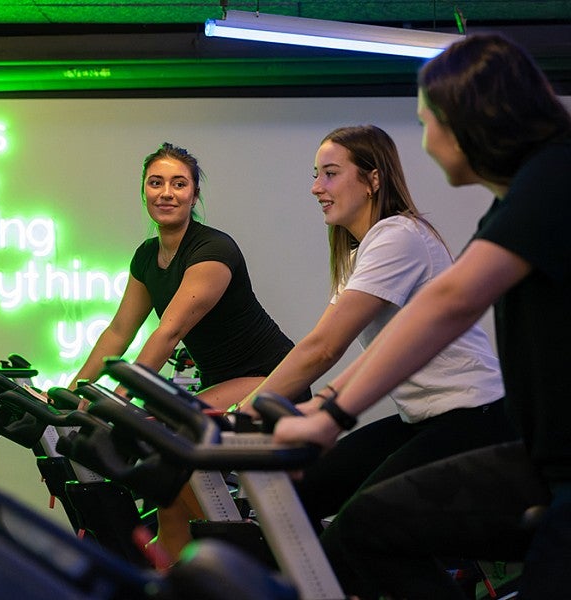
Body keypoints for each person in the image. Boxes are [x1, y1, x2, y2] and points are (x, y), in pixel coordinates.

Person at [274, 33, 571, 599]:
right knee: (365, 528)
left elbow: (448, 304)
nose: (428, 143)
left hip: (513, 441)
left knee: (364, 529)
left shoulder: (555, 175)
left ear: (470, 118)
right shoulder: (515, 202)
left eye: (428, 122)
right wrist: (326, 406)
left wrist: (330, 415)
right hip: (541, 456)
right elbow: (420, 328)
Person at [236, 125, 518, 551]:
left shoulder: (398, 236)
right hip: (422, 419)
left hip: (473, 416)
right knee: (299, 492)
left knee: (365, 525)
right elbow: (329, 345)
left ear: (373, 180)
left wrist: (242, 412)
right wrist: (313, 405)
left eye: (330, 173)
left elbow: (323, 348)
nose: (316, 187)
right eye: (315, 174)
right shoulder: (360, 251)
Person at [70, 142, 307, 564]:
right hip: (226, 381)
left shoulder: (212, 251)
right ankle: (175, 561)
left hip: (273, 376)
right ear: (143, 191)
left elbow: (169, 331)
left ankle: (231, 552)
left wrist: (123, 397)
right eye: (156, 183)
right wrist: (76, 390)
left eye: (179, 184)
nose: (166, 193)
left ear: (194, 195)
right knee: (167, 449)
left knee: (171, 434)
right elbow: (119, 331)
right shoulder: (147, 256)